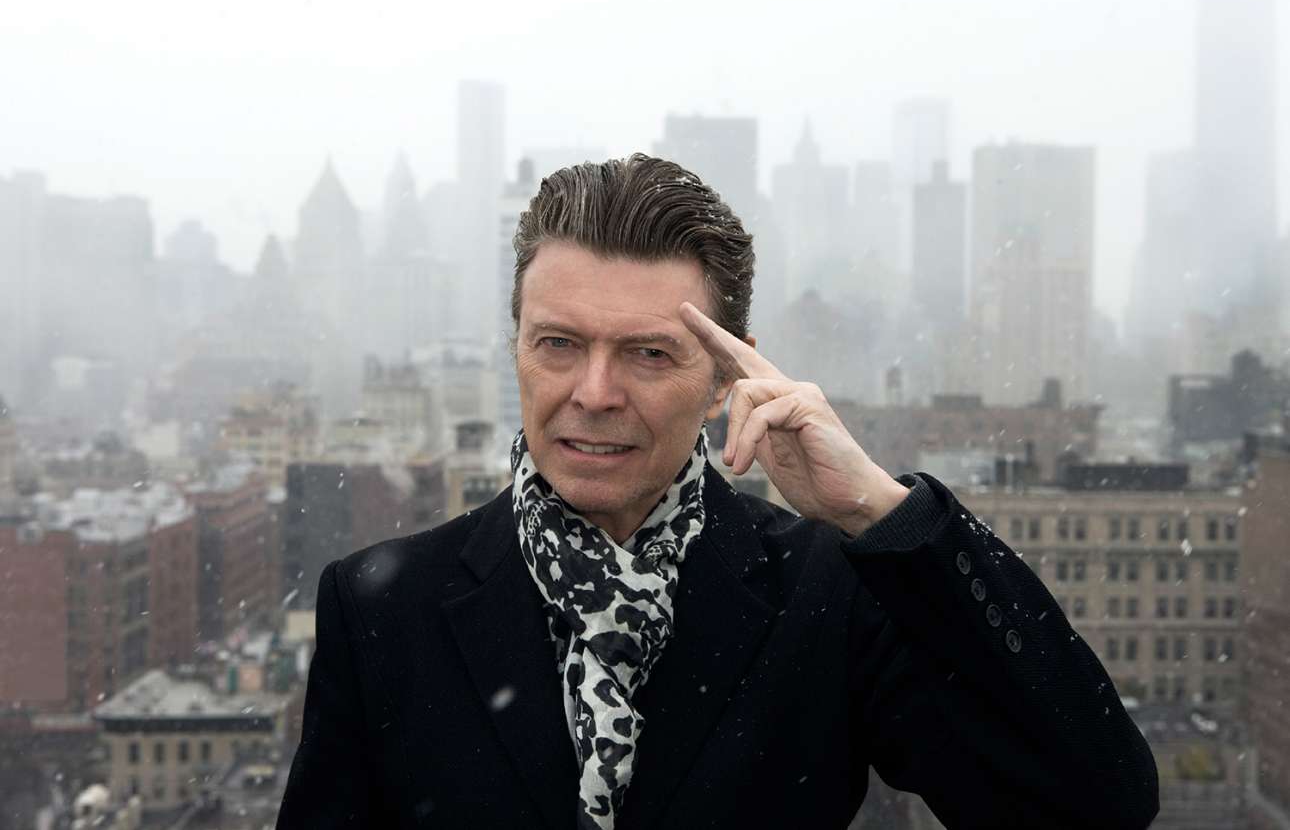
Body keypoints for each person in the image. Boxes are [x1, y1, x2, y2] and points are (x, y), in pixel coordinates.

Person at [277, 154, 1159, 829]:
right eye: (558, 344)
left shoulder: (826, 592)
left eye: (648, 353)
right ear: (517, 350)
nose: (593, 392)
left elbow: (1096, 801)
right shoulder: (382, 608)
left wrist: (878, 512)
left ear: (723, 380)